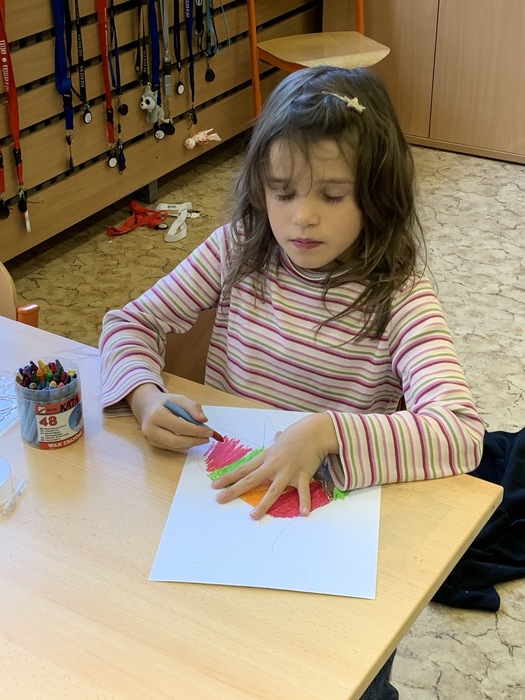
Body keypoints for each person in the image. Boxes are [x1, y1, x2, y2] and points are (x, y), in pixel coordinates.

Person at [100, 66, 484, 698]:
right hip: (224, 521)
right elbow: (129, 323)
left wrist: (328, 432)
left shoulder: (401, 297)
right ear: (260, 188)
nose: (302, 218)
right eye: (282, 192)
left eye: (332, 196)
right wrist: (143, 397)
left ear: (377, 195)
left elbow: (461, 433)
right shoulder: (237, 249)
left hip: (332, 547)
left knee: (342, 680)